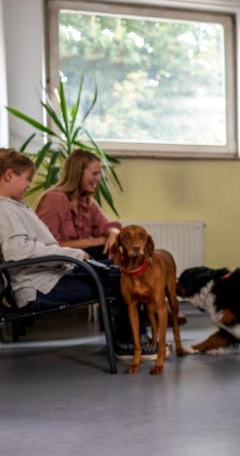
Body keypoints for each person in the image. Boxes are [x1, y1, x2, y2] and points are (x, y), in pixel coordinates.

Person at [0, 148, 139, 351]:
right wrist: (73, 253)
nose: (30, 185)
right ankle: (129, 344)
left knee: (123, 272)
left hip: (48, 278)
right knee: (122, 279)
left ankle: (129, 340)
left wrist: (79, 252)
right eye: (28, 179)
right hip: (39, 288)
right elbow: (18, 251)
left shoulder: (12, 206)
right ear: (10, 175)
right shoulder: (4, 209)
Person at [35, 149, 120, 262]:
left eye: (99, 173)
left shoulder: (87, 201)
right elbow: (47, 245)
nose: (99, 178)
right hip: (61, 265)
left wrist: (113, 233)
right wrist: (93, 241)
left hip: (81, 260)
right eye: (95, 173)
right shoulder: (55, 199)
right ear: (78, 173)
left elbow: (107, 226)